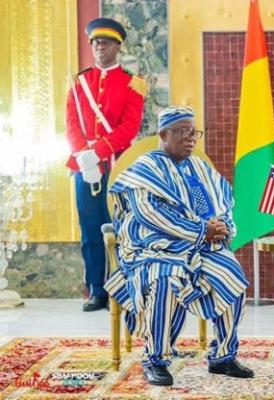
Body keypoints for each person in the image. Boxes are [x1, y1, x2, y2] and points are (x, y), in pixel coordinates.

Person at [104, 106, 254, 386]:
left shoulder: (200, 167)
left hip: (200, 248)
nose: (191, 138)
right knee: (166, 280)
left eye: (194, 132)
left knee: (232, 274)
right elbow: (150, 214)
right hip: (153, 250)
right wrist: (201, 230)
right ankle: (155, 360)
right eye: (183, 132)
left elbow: (223, 204)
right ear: (163, 134)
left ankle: (222, 356)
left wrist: (223, 227)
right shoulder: (145, 169)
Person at [65, 17, 146, 312]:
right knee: (90, 229)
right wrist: (82, 155)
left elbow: (129, 127)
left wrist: (98, 151)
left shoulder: (132, 84)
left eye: (106, 42)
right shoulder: (78, 83)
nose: (100, 46)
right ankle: (97, 290)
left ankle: (122, 287)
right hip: (83, 166)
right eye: (96, 42)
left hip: (117, 164)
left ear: (117, 46)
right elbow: (71, 124)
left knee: (121, 226)